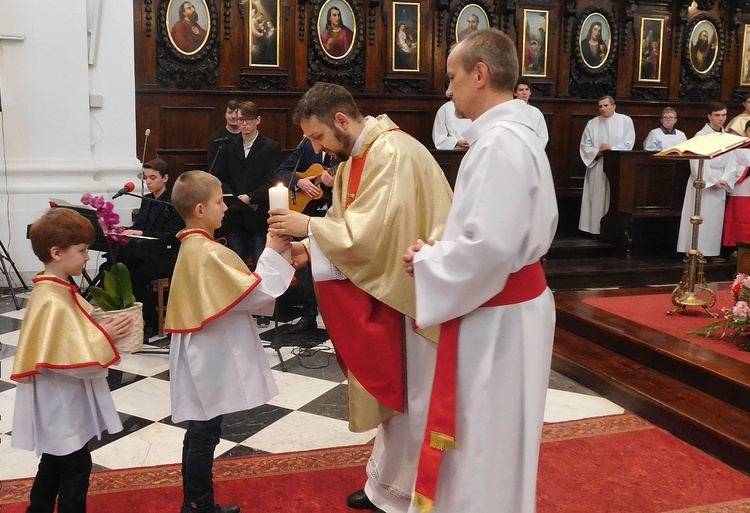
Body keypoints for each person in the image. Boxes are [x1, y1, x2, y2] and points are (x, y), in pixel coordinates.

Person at [267, 82, 453, 513]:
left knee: (414, 395)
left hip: (414, 291)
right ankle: (386, 484)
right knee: (396, 396)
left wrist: (308, 228)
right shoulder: (352, 159)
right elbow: (345, 224)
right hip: (387, 284)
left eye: (318, 137)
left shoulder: (392, 153)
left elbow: (373, 235)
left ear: (342, 121)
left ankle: (415, 491)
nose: (318, 148)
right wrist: (306, 251)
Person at [402, 28, 557, 513]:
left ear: (480, 75)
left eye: (452, 78)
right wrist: (445, 250)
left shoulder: (498, 146)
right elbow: (492, 237)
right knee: (497, 436)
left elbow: (489, 248)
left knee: (484, 437)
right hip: (509, 308)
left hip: (499, 319)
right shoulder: (513, 137)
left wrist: (427, 260)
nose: (448, 91)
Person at [165, 170, 294, 513]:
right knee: (204, 431)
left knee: (201, 428)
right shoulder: (205, 252)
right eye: (220, 201)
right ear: (200, 209)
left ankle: (196, 501)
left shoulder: (197, 246)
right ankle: (198, 505)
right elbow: (254, 293)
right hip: (207, 353)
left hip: (204, 349)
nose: (226, 207)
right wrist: (271, 250)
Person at [11, 208, 132, 513]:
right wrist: (104, 335)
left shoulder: (55, 287)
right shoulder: (52, 298)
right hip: (59, 398)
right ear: (56, 252)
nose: (86, 257)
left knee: (54, 461)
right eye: (81, 251)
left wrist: (98, 330)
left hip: (61, 396)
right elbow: (69, 351)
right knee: (76, 465)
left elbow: (73, 333)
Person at [273, 139, 337, 333]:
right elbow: (281, 171)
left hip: (337, 216)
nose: (318, 144)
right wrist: (299, 182)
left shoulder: (345, 154)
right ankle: (309, 314)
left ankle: (335, 317)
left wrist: (337, 183)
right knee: (308, 266)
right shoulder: (308, 147)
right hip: (310, 214)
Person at [212, 100, 282, 267]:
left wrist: (250, 196)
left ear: (257, 120)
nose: (244, 123)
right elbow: (219, 176)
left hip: (258, 213)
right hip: (234, 214)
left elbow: (273, 180)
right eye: (240, 119)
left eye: (248, 119)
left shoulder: (270, 147)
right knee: (236, 266)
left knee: (262, 263)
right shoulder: (228, 146)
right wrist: (233, 197)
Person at [120, 158, 185, 338]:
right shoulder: (147, 200)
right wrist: (121, 230)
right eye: (145, 177)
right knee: (115, 266)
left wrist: (141, 232)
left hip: (167, 255)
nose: (148, 182)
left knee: (136, 277)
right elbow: (140, 226)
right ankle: (130, 319)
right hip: (146, 252)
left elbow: (173, 235)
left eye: (153, 178)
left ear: (165, 179)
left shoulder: (173, 202)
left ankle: (151, 320)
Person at [677, 103, 738, 259]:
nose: (721, 119)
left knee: (714, 221)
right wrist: (711, 181)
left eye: (724, 115)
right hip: (703, 183)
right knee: (699, 217)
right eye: (717, 115)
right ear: (709, 116)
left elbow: (733, 161)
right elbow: (696, 162)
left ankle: (710, 252)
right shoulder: (700, 136)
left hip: (721, 181)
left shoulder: (728, 138)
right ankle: (694, 251)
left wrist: (724, 179)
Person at [578, 95, 635, 235]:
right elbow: (585, 145)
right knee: (596, 197)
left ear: (614, 106)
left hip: (617, 166)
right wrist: (597, 151)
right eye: (600, 106)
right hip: (598, 165)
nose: (603, 109)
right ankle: (594, 229)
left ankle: (612, 231)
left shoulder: (625, 121)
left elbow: (629, 142)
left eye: (606, 105)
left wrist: (612, 149)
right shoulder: (592, 123)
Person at [723, 120, 750, 248]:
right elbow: (731, 167)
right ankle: (738, 248)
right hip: (742, 188)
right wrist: (746, 171)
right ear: (745, 132)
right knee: (741, 219)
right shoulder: (738, 148)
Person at [513, 78, 549, 147]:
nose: (524, 92)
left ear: (530, 92)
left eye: (527, 89)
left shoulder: (536, 113)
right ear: (515, 93)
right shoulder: (509, 111)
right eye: (521, 90)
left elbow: (543, 137)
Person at [207, 100, 241, 169]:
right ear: (225, 115)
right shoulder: (216, 138)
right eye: (230, 112)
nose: (233, 116)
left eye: (237, 113)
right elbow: (213, 166)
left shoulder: (247, 137)